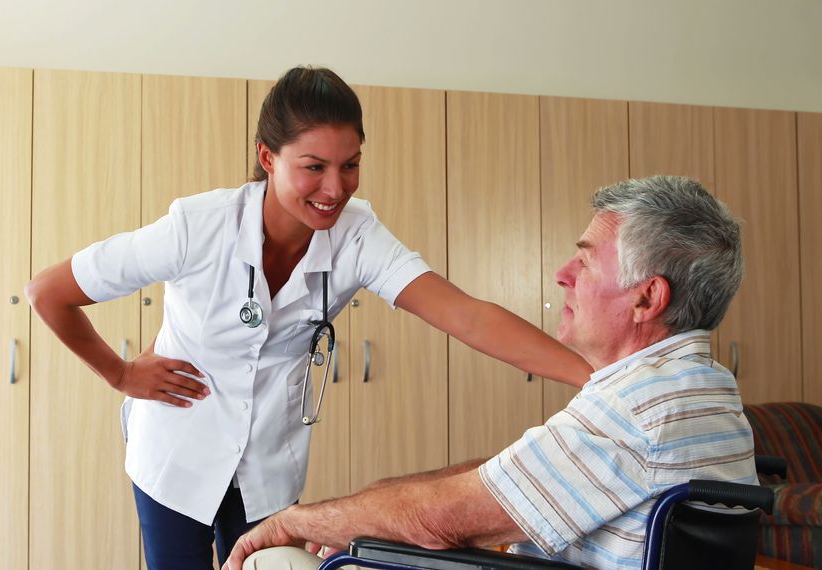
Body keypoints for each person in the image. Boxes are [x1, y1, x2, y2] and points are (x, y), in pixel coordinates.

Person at [25, 65, 591, 570]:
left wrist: (594, 380)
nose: (335, 188)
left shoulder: (358, 235)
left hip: (268, 463)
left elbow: (466, 316)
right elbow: (49, 291)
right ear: (268, 157)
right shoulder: (197, 227)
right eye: (314, 166)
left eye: (350, 166)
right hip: (176, 452)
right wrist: (122, 375)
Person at [224, 175, 757, 570]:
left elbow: (436, 520)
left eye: (587, 262)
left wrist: (297, 520)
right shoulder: (703, 389)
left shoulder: (636, 411)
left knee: (274, 562)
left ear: (647, 297)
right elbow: (505, 476)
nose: (562, 275)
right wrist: (368, 504)